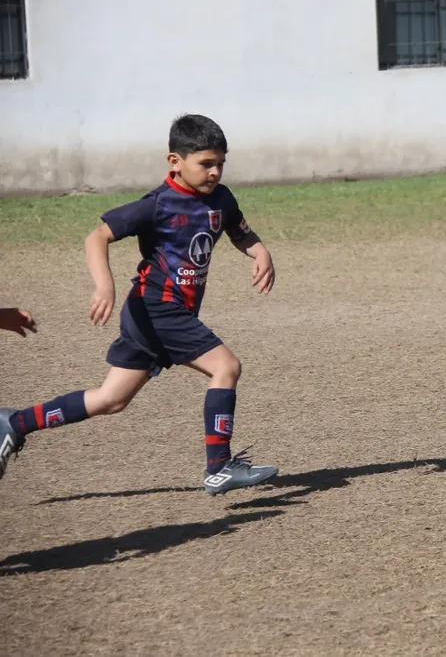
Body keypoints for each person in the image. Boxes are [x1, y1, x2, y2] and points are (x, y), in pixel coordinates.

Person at [0, 114, 278, 495]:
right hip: (157, 308)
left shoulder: (222, 199)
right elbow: (96, 237)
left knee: (111, 400)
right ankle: (219, 466)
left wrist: (260, 252)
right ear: (174, 162)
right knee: (226, 367)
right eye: (206, 164)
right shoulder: (157, 205)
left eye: (220, 164)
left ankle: (15, 423)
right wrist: (105, 285)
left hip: (155, 315)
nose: (214, 172)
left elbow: (240, 232)